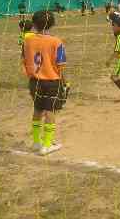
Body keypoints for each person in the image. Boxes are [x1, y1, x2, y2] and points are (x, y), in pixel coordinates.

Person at [22, 11, 68, 156]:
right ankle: (47, 145)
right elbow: (60, 65)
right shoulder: (56, 41)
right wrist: (65, 82)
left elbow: (24, 59)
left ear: (34, 24)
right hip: (52, 81)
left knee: (37, 109)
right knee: (50, 112)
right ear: (52, 24)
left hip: (34, 81)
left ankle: (36, 142)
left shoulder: (27, 40)